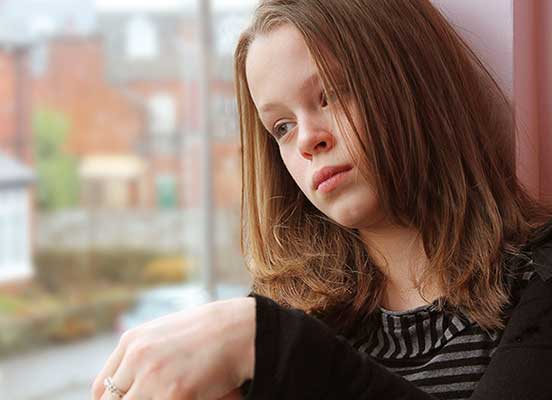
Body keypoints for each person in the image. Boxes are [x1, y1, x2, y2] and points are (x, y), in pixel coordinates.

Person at [92, 0, 552, 399]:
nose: (308, 139)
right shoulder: (281, 321)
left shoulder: (540, 280)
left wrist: (272, 342)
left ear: (412, 81)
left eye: (329, 94)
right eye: (283, 127)